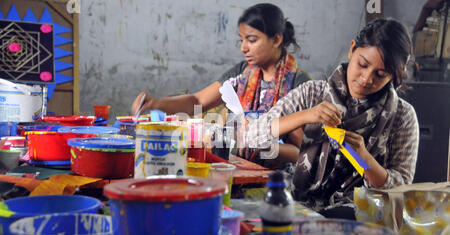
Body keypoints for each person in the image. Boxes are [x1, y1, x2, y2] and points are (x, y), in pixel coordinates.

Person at [245, 18, 419, 217]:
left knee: (341, 217)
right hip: (302, 202)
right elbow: (251, 136)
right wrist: (305, 116)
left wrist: (363, 159)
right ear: (352, 49)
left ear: (392, 76)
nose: (366, 79)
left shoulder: (402, 116)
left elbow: (401, 189)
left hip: (359, 214)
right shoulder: (313, 94)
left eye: (380, 74)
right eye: (362, 65)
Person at [131, 3, 311, 165]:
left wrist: (262, 143)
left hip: (276, 182)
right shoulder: (243, 74)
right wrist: (156, 104)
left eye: (252, 40)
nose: (243, 48)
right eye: (241, 40)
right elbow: (198, 101)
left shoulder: (298, 85)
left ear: (277, 39)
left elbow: (303, 153)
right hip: (235, 167)